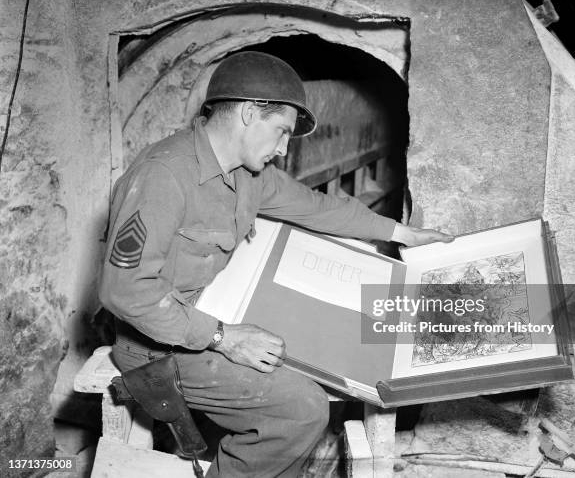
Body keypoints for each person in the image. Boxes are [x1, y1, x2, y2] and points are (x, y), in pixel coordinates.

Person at [99, 51, 453, 477]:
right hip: (154, 344)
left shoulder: (248, 175)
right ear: (249, 113)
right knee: (300, 409)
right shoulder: (164, 175)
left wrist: (402, 233)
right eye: (282, 131)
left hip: (207, 313)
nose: (285, 149)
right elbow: (126, 292)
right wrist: (223, 337)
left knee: (331, 351)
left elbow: (316, 207)